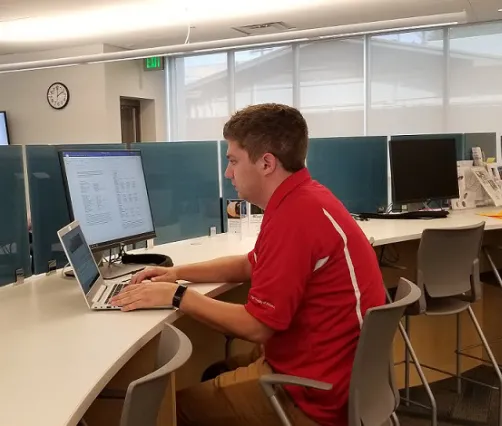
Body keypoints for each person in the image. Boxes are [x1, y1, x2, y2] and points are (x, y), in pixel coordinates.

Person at [111, 103, 386, 426]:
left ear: (266, 163)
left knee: (172, 411)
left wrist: (176, 297)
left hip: (314, 395)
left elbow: (257, 326)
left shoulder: (295, 217)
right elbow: (249, 265)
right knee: (215, 370)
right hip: (337, 372)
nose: (228, 173)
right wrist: (177, 274)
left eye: (233, 161)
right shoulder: (303, 198)